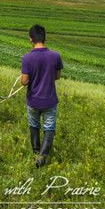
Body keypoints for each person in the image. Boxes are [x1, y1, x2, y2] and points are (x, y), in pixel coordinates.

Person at [21, 24, 63, 167]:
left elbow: (24, 82)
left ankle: (35, 151)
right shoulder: (56, 56)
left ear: (30, 39)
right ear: (45, 38)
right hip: (50, 100)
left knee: (34, 125)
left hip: (33, 100)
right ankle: (43, 156)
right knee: (49, 127)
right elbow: (57, 76)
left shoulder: (27, 58)